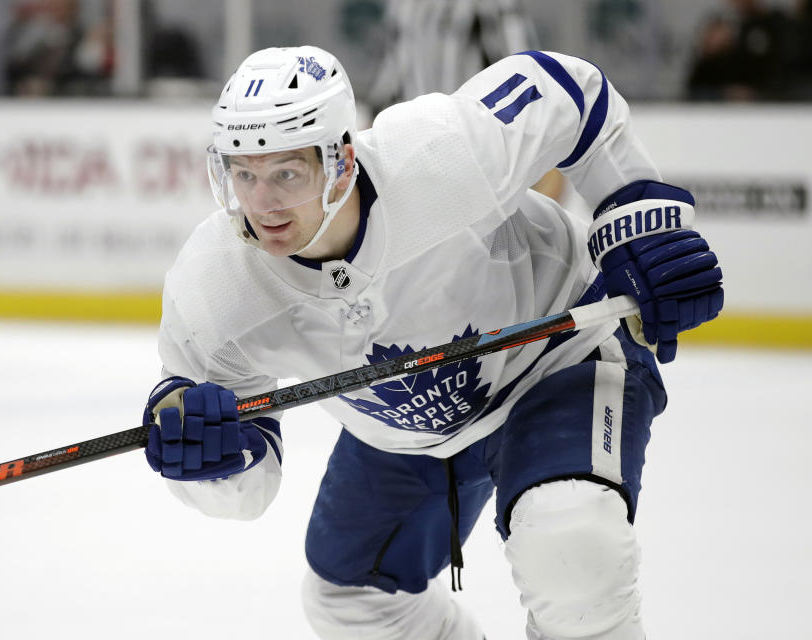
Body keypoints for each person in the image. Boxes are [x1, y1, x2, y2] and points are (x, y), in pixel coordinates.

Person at [142, 45, 723, 639]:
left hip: (556, 360)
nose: (261, 203)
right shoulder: (215, 287)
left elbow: (572, 94)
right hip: (406, 428)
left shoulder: (438, 155)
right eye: (243, 174)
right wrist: (211, 462)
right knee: (352, 602)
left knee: (571, 539)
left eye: (287, 173)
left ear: (341, 161)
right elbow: (248, 486)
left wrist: (641, 218)